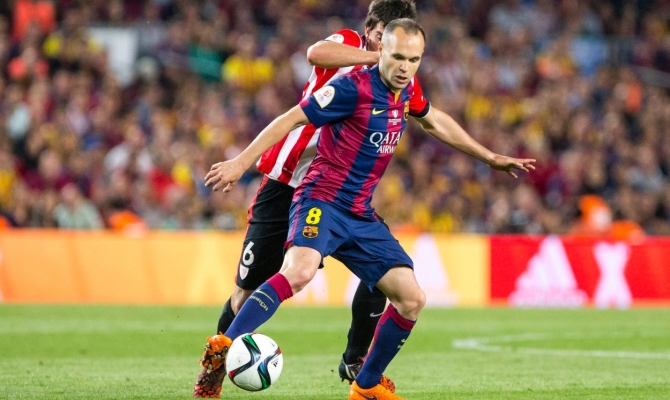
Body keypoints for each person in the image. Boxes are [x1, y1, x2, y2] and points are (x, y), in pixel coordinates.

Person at [202, 19, 536, 400]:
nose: (404, 67)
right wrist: (241, 162)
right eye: (397, 57)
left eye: (413, 60)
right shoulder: (352, 88)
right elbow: (293, 117)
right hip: (321, 200)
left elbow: (436, 122)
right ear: (381, 51)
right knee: (299, 272)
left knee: (412, 298)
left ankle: (366, 385)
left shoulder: (407, 90)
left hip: (359, 212)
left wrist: (489, 156)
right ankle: (223, 346)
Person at [193, 1, 420, 398]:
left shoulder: (393, 82)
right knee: (246, 291)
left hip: (334, 194)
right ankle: (215, 366)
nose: (391, 48)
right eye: (383, 38)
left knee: (385, 275)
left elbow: (425, 117)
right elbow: (317, 52)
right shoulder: (349, 44)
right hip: (285, 185)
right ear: (370, 30)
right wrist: (378, 56)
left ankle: (355, 361)